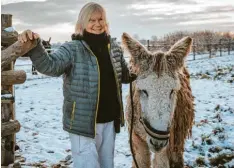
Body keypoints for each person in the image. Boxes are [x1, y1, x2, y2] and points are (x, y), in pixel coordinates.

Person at [18, 2, 136, 168]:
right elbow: (50, 66)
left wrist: (142, 70)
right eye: (91, 20)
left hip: (110, 120)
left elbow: (124, 75)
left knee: (107, 164)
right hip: (83, 123)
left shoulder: (114, 48)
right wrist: (35, 45)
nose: (97, 24)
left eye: (100, 19)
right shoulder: (72, 49)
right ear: (82, 23)